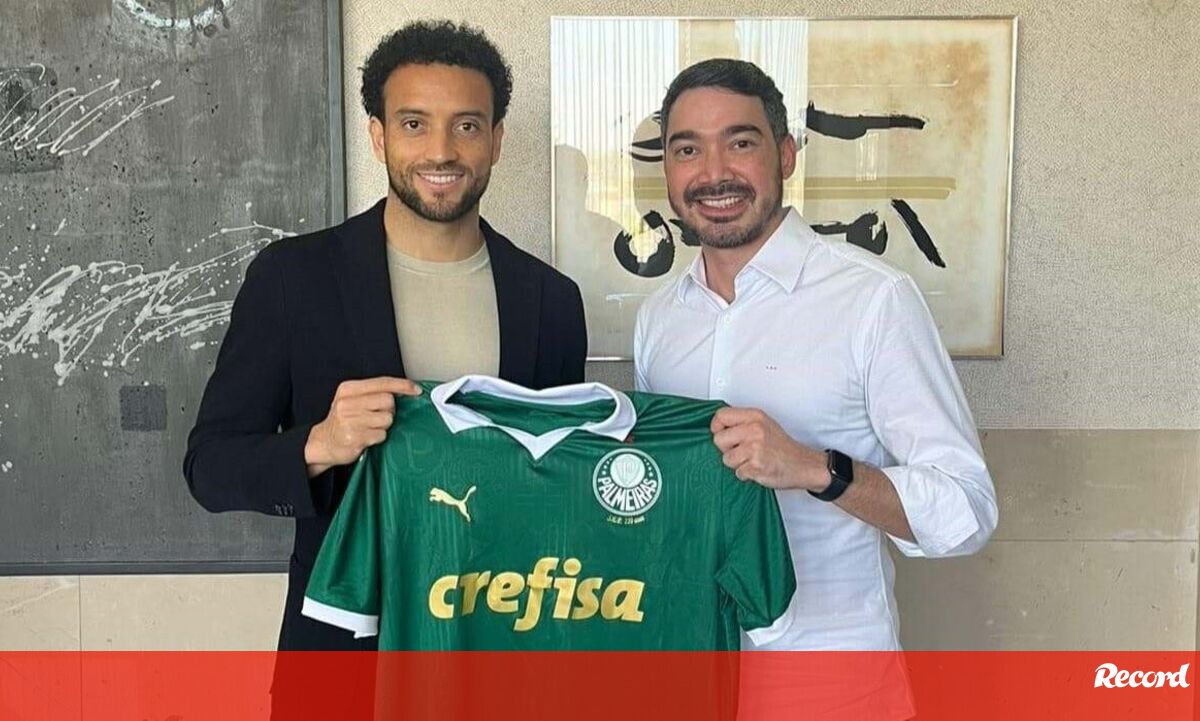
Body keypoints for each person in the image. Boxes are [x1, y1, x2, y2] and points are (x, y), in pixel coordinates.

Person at [183, 20, 586, 654]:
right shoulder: (293, 279)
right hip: (345, 652)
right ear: (378, 136)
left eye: (467, 125)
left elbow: (561, 484)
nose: (441, 151)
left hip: (501, 645)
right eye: (414, 123)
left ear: (497, 140)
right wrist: (319, 444)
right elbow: (209, 469)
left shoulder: (552, 300)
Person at [634, 58, 997, 659]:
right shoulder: (659, 320)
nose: (714, 173)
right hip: (694, 664)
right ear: (668, 170)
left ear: (785, 155)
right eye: (688, 150)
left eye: (740, 143)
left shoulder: (874, 299)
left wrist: (814, 468)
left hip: (833, 677)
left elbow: (967, 509)